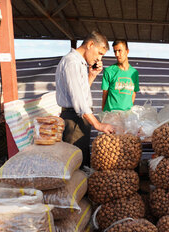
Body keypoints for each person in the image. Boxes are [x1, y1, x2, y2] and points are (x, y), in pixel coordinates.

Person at [55, 30, 115, 167]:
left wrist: (92, 75)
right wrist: (98, 124)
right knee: (75, 164)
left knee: (81, 161)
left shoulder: (80, 63)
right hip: (73, 119)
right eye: (99, 53)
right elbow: (78, 100)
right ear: (90, 44)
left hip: (79, 118)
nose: (99, 59)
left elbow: (81, 92)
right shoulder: (72, 62)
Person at [101, 40, 139, 112]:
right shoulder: (108, 71)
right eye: (115, 51)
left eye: (119, 50)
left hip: (126, 117)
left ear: (127, 51)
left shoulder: (134, 73)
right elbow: (104, 95)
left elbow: (133, 93)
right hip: (111, 115)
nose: (117, 54)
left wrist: (128, 112)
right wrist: (103, 114)